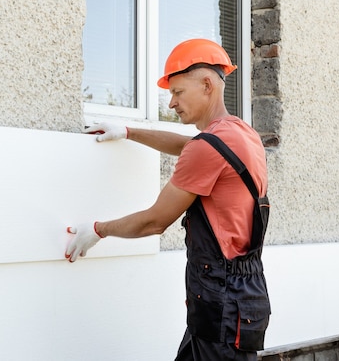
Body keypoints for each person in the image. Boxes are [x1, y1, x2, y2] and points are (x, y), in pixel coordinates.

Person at [65, 39, 271, 361]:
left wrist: (97, 229)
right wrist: (129, 131)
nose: (171, 103)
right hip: (240, 296)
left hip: (221, 304)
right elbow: (189, 145)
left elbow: (155, 221)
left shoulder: (209, 147)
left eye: (177, 92)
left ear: (206, 85)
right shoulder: (240, 133)